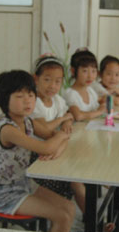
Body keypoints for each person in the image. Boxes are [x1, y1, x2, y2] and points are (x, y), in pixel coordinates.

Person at [0, 70, 76, 232]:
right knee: (63, 216)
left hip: (23, 183)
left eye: (31, 95)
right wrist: (61, 136)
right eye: (20, 96)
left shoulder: (28, 121)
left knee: (70, 208)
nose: (28, 101)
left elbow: (54, 140)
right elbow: (48, 146)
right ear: (5, 101)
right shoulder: (8, 129)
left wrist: (58, 144)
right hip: (3, 192)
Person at [31, 54, 86, 215]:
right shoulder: (34, 102)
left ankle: (91, 222)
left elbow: (67, 119)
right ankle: (81, 219)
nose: (52, 86)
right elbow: (45, 128)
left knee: (79, 177)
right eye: (47, 80)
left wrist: (67, 123)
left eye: (57, 81)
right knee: (75, 181)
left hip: (57, 148)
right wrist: (63, 119)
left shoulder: (58, 100)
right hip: (38, 156)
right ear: (36, 79)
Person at [63, 48, 106, 121]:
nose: (90, 76)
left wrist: (104, 103)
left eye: (93, 71)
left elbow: (102, 99)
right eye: (85, 71)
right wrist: (100, 111)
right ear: (73, 71)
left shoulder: (90, 90)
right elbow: (78, 116)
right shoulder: (70, 94)